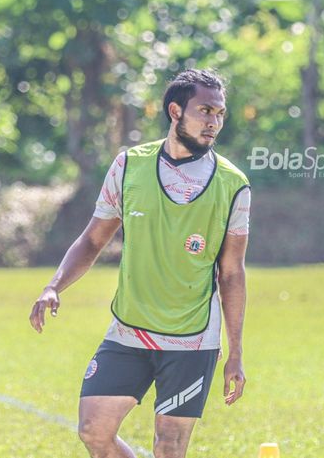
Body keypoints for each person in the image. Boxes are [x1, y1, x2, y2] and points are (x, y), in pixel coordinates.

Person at [29, 69, 251, 458]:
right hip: (128, 331)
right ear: (175, 111)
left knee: (168, 448)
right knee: (93, 431)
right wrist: (54, 286)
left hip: (192, 338)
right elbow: (92, 239)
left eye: (219, 113)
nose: (214, 122)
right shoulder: (129, 166)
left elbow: (231, 273)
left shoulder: (234, 185)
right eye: (204, 111)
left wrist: (235, 352)